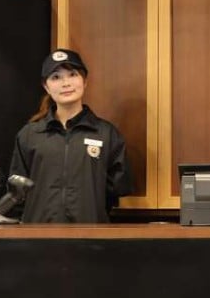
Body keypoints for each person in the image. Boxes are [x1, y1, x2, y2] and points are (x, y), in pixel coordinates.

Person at [9, 48, 133, 223]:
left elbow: (117, 189)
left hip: (90, 237)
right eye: (56, 77)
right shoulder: (29, 134)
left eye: (72, 74)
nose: (65, 83)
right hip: (38, 237)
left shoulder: (106, 133)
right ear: (46, 86)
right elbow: (17, 190)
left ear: (85, 81)